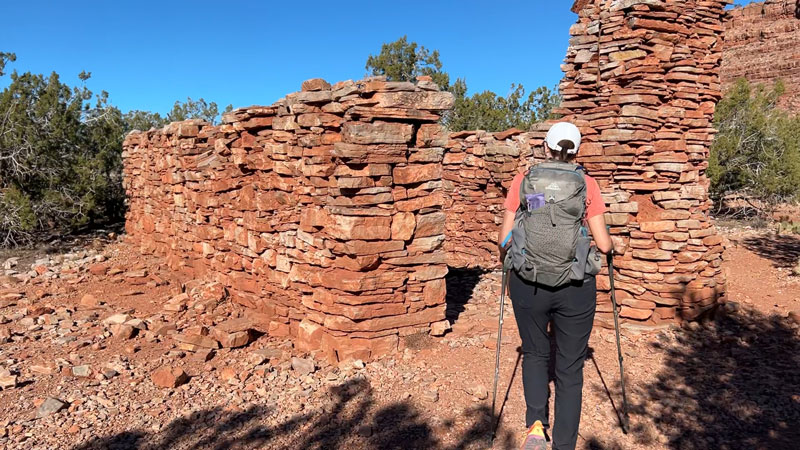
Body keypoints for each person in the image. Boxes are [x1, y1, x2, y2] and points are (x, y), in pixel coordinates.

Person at [498, 122, 612, 450]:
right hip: (575, 285)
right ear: (576, 152)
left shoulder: (525, 182)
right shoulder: (586, 185)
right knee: (570, 366)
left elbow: (505, 238)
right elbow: (603, 245)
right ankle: (563, 444)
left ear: (545, 147)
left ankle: (535, 428)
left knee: (534, 353)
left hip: (528, 282)